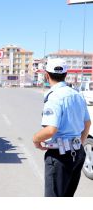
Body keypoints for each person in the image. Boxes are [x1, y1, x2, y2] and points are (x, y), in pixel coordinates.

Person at [33, 58, 91, 197]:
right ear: (66, 74)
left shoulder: (54, 97)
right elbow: (87, 123)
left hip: (59, 157)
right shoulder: (77, 95)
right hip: (77, 154)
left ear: (47, 75)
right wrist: (80, 143)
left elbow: (51, 129)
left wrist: (35, 139)